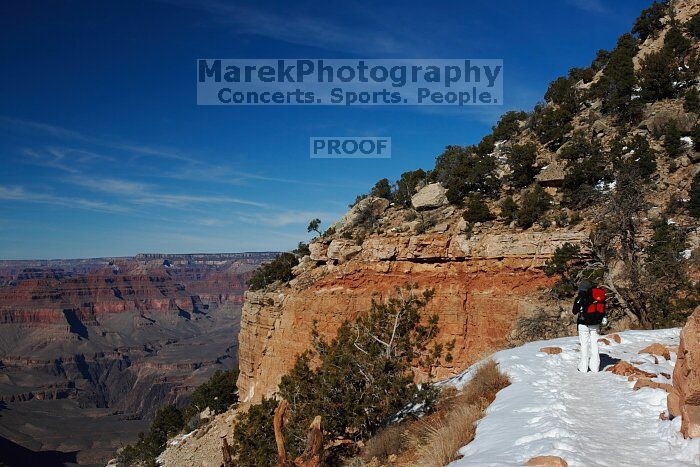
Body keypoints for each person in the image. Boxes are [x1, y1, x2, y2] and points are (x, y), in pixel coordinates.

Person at [572, 280, 608, 372]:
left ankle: (583, 367)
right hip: (595, 324)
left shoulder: (580, 297)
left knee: (584, 345)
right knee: (594, 344)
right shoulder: (597, 296)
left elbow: (574, 311)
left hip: (583, 324)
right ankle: (595, 367)